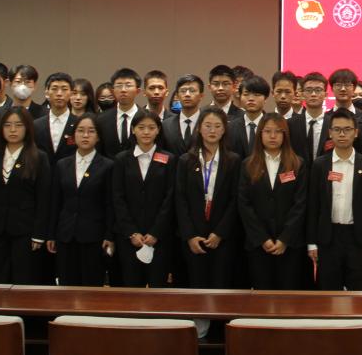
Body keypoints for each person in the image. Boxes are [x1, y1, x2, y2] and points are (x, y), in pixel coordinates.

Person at [0, 106, 51, 283]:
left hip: (25, 230)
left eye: (18, 125)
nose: (13, 130)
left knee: (23, 280)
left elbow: (44, 198)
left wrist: (39, 233)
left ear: (28, 128)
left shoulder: (38, 157)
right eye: (7, 125)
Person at [306, 108, 362, 291]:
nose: (342, 134)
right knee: (327, 291)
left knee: (360, 290)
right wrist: (312, 242)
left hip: (358, 238)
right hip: (328, 238)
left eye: (347, 129)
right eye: (337, 129)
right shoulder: (320, 165)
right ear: (330, 133)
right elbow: (313, 206)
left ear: (356, 132)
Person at [175, 107, 241, 297]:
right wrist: (190, 235)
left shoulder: (233, 160)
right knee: (196, 288)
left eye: (218, 126)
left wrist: (220, 233)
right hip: (194, 234)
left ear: (224, 130)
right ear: (199, 128)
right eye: (208, 125)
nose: (212, 130)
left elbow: (235, 199)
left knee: (221, 288)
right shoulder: (186, 160)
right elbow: (180, 199)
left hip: (222, 236)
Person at [237, 113, 308, 289]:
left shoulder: (297, 164)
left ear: (285, 135)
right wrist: (263, 239)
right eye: (267, 131)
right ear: (260, 134)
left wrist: (284, 239)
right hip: (258, 243)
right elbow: (244, 204)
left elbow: (300, 204)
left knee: (288, 293)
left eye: (278, 131)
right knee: (262, 293)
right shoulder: (248, 164)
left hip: (290, 243)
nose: (273, 136)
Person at [110, 109, 177, 288]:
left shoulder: (169, 159)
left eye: (151, 127)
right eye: (141, 127)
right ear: (133, 130)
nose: (146, 132)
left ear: (158, 130)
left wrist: (156, 232)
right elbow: (117, 197)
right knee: (131, 287)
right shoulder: (121, 159)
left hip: (160, 237)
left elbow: (170, 198)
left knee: (158, 287)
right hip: (129, 237)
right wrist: (131, 232)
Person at [47, 112, 115, 286]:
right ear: (73, 135)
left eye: (91, 131)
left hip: (94, 236)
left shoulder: (108, 165)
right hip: (65, 234)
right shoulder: (62, 164)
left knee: (91, 286)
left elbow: (110, 204)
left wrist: (109, 234)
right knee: (66, 285)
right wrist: (51, 234)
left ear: (98, 137)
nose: (85, 135)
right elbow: (55, 202)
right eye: (80, 131)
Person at [98, 68, 143, 158]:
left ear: (137, 91)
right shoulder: (101, 119)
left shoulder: (146, 118)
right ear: (113, 90)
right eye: (119, 85)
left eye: (128, 85)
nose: (123, 90)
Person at [33, 72, 77, 160]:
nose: (59, 93)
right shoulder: (36, 125)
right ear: (47, 93)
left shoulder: (78, 124)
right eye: (54, 89)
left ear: (71, 94)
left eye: (64, 89)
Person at [290, 72, 331, 162]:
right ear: (302, 95)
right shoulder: (290, 124)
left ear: (325, 95)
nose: (313, 94)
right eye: (308, 90)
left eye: (318, 90)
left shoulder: (333, 123)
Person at [227, 75, 270, 158]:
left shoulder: (272, 126)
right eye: (246, 94)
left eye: (256, 94)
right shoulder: (230, 127)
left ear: (265, 98)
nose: (251, 99)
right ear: (240, 96)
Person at [162, 74, 206, 155]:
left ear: (201, 96)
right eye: (183, 91)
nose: (187, 94)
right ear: (177, 96)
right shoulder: (166, 125)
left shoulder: (208, 124)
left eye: (192, 90)